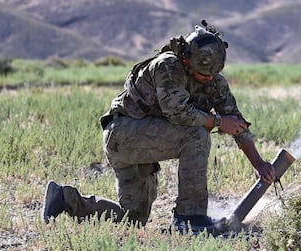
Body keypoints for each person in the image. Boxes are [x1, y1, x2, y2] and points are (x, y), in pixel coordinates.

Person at [42, 21, 275, 235]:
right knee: (196, 135)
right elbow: (178, 112)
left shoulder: (215, 81)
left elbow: (235, 121)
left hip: (143, 145)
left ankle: (65, 198)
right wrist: (217, 122)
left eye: (212, 74)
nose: (207, 79)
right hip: (123, 135)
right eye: (202, 73)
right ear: (187, 60)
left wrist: (259, 164)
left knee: (133, 219)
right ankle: (190, 217)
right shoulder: (168, 67)